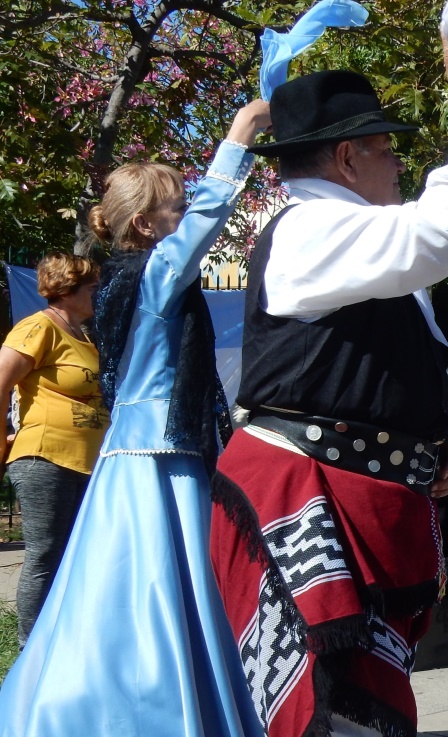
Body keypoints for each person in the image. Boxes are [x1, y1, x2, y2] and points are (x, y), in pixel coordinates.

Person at [207, 34, 448, 737]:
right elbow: (440, 232)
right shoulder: (310, 229)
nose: (402, 163)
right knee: (326, 715)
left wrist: (445, 434)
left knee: (357, 711)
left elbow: (367, 368)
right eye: (387, 148)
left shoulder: (352, 241)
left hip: (350, 494)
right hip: (304, 496)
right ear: (346, 157)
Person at [0, 102, 270, 735]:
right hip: (161, 459)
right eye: (177, 210)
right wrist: (238, 136)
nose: (188, 217)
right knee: (161, 591)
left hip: (128, 451)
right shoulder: (155, 276)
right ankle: (162, 712)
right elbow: (209, 219)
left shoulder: (122, 277)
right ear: (148, 225)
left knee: (114, 594)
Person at [0, 254, 104, 649]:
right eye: (91, 287)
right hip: (45, 457)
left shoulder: (84, 335)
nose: (97, 293)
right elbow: (1, 381)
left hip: (86, 462)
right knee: (45, 555)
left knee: (75, 554)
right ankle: (32, 648)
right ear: (68, 290)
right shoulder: (38, 326)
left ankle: (67, 643)